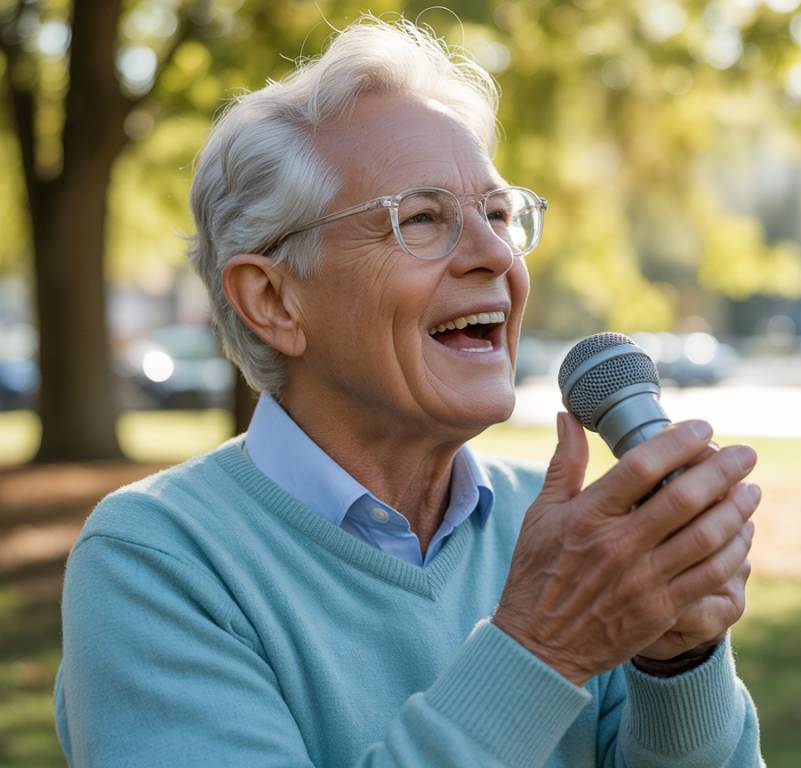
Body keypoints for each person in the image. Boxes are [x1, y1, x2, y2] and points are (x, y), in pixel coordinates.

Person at [54, 15, 763, 767]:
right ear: (273, 301)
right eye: (422, 218)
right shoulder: (157, 560)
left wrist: (678, 665)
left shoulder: (571, 539)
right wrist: (542, 648)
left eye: (498, 214)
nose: (495, 255)